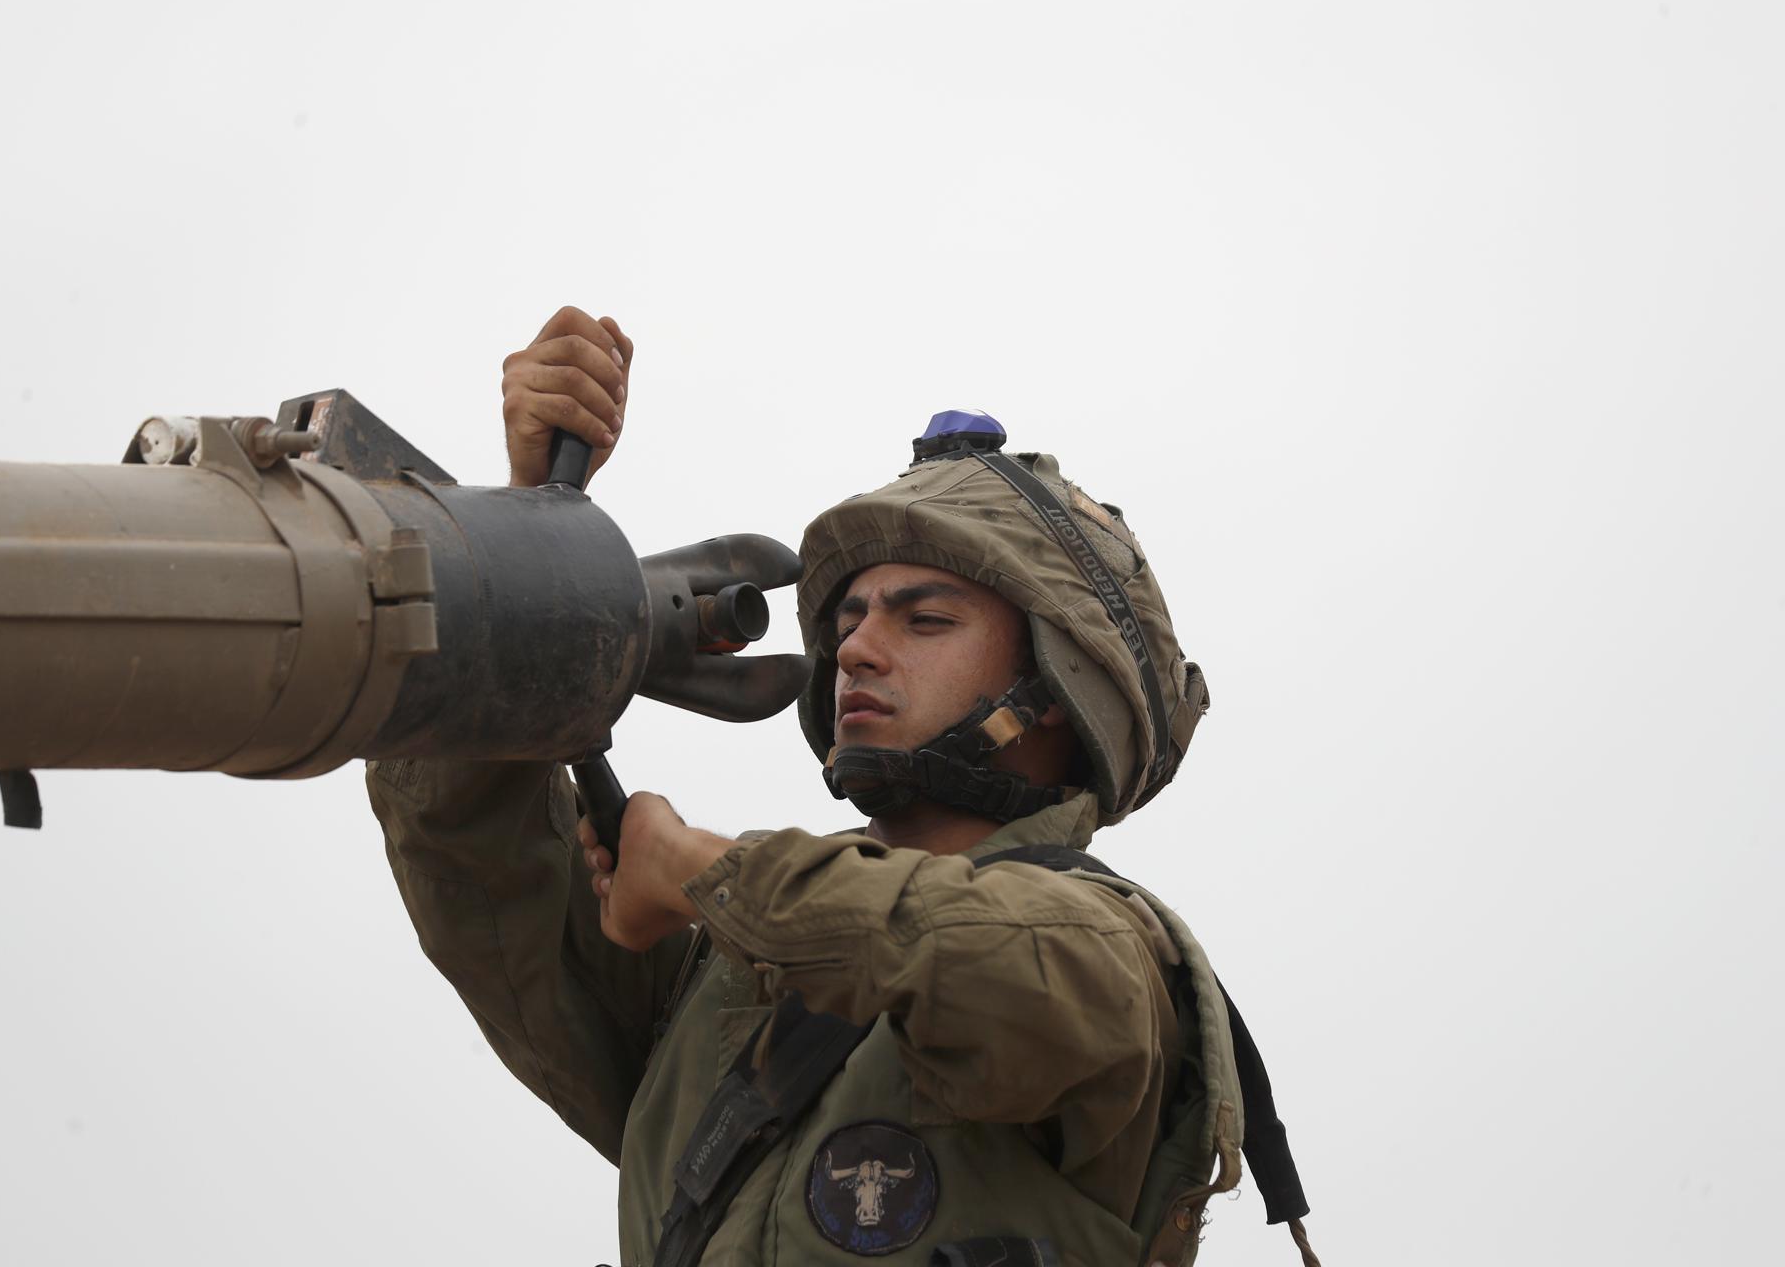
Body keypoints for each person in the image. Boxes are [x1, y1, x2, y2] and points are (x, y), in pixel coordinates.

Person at [366, 306, 1302, 1266]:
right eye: (848, 619)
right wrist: (520, 546)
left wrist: (701, 869)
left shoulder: (1114, 961)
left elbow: (966, 950)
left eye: (923, 619)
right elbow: (476, 874)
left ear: (1056, 691)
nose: (854, 648)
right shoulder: (724, 993)